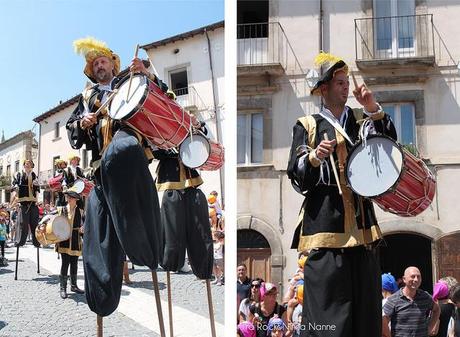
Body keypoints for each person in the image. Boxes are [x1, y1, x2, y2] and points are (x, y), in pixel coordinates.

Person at [286, 52, 397, 337]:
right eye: (339, 83)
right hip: (325, 227)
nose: (346, 87)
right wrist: (313, 158)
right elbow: (296, 176)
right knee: (329, 315)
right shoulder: (308, 125)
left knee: (365, 316)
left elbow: (388, 147)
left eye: (347, 82)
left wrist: (374, 108)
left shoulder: (362, 119)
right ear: (323, 88)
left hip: (362, 228)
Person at [67, 37, 164, 317]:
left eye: (103, 61)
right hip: (100, 175)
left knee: (124, 148)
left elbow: (162, 99)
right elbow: (73, 130)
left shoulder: (130, 83)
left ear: (113, 64)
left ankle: (146, 251)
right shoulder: (87, 97)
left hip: (130, 167)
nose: (99, 66)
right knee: (97, 238)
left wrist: (146, 73)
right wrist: (82, 124)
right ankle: (101, 297)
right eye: (95, 64)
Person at [153, 146, 214, 280]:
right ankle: (172, 262)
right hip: (170, 183)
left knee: (200, 231)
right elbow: (153, 152)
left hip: (191, 183)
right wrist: (167, 150)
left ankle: (203, 268)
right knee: (172, 231)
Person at [383, 266, 440, 337]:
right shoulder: (394, 299)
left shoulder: (425, 296)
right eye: (413, 276)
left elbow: (437, 309)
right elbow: (383, 320)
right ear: (404, 279)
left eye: (418, 277)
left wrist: (430, 328)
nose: (416, 279)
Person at [55, 189, 84, 299]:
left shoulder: (80, 211)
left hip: (76, 240)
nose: (69, 199)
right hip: (64, 240)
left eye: (71, 198)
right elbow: (51, 219)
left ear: (76, 199)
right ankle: (62, 288)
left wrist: (84, 227)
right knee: (65, 263)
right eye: (68, 198)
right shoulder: (61, 210)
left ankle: (74, 285)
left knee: (75, 264)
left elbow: (86, 222)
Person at [11, 159, 41, 247]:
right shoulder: (20, 174)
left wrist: (36, 184)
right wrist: (16, 186)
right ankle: (21, 241)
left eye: (30, 164)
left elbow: (37, 187)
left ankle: (36, 241)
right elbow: (15, 183)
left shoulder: (33, 174)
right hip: (24, 201)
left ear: (32, 165)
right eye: (26, 164)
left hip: (32, 201)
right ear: (24, 165)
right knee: (24, 223)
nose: (28, 165)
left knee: (34, 223)